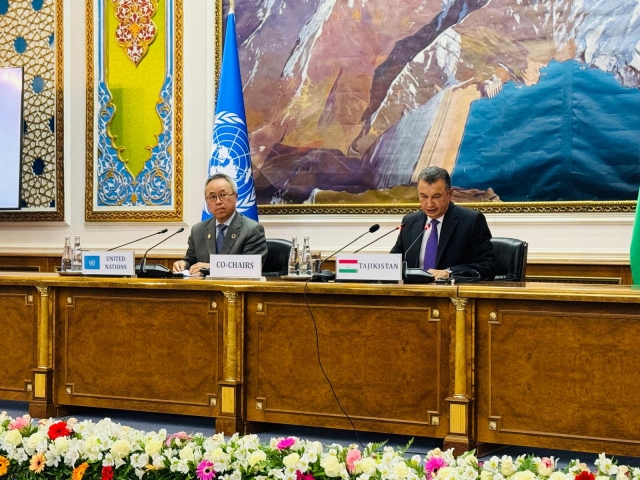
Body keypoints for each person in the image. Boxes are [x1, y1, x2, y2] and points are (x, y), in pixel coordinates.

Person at [391, 166, 496, 280]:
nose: (429, 204)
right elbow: (393, 262)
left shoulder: (471, 221)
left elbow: (487, 266)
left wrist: (448, 272)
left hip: (451, 294)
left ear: (449, 194)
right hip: (413, 294)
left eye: (436, 196)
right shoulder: (410, 222)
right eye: (424, 196)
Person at [173, 173, 268, 275]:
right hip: (203, 289)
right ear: (207, 201)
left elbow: (251, 268)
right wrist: (183, 263)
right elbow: (190, 260)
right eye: (212, 197)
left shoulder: (252, 229)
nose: (218, 201)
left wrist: (213, 268)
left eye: (223, 195)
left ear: (235, 197)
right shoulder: (198, 230)